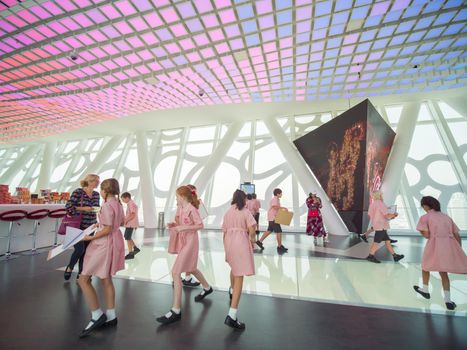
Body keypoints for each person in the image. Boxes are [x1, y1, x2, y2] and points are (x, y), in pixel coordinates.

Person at [157, 185, 212, 325]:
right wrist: (174, 224)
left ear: (182, 197)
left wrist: (183, 227)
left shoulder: (192, 209)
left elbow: (200, 225)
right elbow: (180, 223)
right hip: (183, 241)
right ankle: (207, 287)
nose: (176, 198)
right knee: (192, 268)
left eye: (176, 196)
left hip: (191, 242)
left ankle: (176, 310)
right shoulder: (181, 209)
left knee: (176, 272)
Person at [78, 178, 125, 338]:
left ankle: (97, 314)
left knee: (83, 279)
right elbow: (119, 223)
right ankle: (111, 316)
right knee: (106, 279)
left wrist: (90, 237)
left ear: (105, 191)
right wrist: (101, 225)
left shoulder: (106, 205)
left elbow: (108, 228)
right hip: (114, 242)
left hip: (104, 244)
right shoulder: (118, 204)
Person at [413, 196, 467, 310]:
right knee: (443, 272)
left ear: (426, 206)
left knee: (425, 267)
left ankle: (425, 290)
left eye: (423, 205)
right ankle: (448, 300)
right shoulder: (446, 217)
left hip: (434, 244)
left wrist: (422, 233)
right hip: (449, 245)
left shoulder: (425, 217)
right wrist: (457, 249)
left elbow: (427, 235)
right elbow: (457, 234)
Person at [222, 190, 257, 330]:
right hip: (241, 242)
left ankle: (231, 290)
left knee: (234, 268)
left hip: (228, 242)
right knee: (239, 276)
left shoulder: (228, 212)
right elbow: (252, 230)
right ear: (244, 199)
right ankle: (232, 315)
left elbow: (224, 230)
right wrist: (252, 239)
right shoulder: (245, 211)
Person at [64, 174, 100, 281]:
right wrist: (84, 208)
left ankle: (81, 273)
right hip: (77, 226)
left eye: (98, 181)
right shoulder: (78, 192)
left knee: (86, 252)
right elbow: (69, 207)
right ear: (89, 181)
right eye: (96, 181)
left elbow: (96, 208)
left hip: (91, 226)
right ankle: (70, 267)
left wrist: (97, 210)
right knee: (79, 250)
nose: (98, 183)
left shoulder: (96, 194)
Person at [366, 191, 404, 263]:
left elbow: (370, 215)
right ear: (379, 195)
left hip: (377, 225)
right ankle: (370, 256)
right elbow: (386, 215)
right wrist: (394, 215)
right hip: (381, 226)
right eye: (381, 195)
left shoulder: (372, 204)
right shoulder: (381, 204)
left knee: (387, 241)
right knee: (376, 242)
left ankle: (395, 256)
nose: (382, 196)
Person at [256, 188, 288, 254]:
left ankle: (259, 241)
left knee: (269, 230)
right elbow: (274, 207)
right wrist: (283, 208)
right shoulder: (275, 199)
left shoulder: (276, 199)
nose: (281, 194)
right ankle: (279, 246)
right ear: (277, 194)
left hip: (272, 217)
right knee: (279, 231)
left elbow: (276, 208)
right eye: (281, 193)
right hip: (273, 218)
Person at [120, 192, 140, 260]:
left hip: (130, 223)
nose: (122, 201)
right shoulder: (131, 203)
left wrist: (126, 220)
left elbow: (132, 214)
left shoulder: (130, 203)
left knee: (127, 237)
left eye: (123, 199)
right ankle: (135, 248)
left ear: (127, 198)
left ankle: (130, 253)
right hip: (131, 223)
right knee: (127, 237)